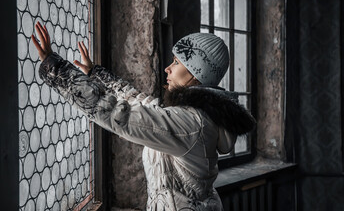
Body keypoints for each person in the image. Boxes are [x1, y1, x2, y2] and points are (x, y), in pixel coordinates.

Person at [32, 21, 256, 210]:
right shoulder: (196, 115)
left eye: (177, 62)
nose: (168, 68)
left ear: (196, 74)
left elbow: (120, 116)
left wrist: (56, 68)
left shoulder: (190, 124)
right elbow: (142, 104)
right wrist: (96, 74)